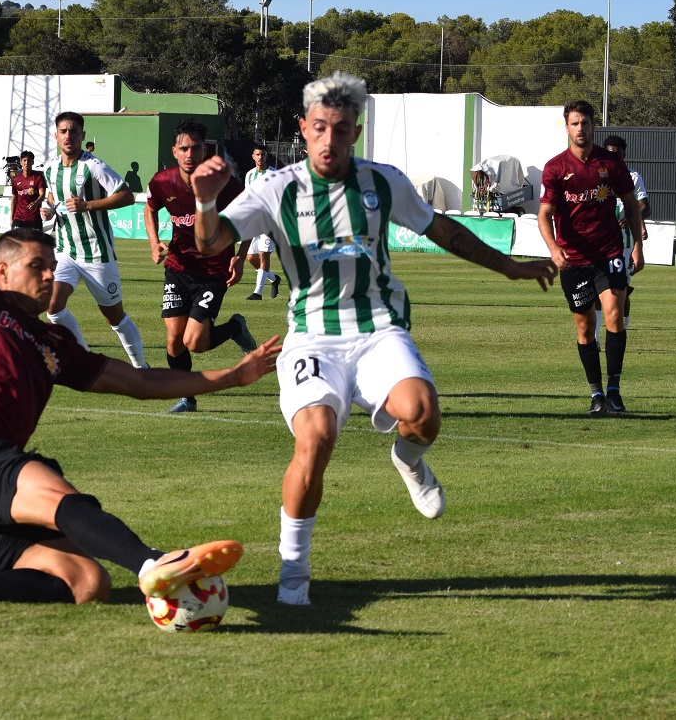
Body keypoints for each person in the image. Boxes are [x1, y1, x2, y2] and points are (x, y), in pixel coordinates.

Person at [0, 110, 279, 610]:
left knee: (86, 582)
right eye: (36, 266)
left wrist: (230, 376)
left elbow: (139, 382)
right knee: (60, 498)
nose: (47, 275)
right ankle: (153, 564)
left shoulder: (55, 346)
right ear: (2, 272)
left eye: (51, 266)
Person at [190, 73, 556, 606]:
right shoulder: (276, 187)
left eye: (340, 130)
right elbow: (213, 242)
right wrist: (203, 202)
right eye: (319, 128)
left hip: (379, 328)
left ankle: (408, 459)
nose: (329, 140)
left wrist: (509, 268)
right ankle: (293, 572)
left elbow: (442, 230)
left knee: (423, 413)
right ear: (303, 129)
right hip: (312, 338)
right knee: (315, 439)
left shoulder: (383, 182)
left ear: (355, 133)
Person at [538, 100, 647, 417]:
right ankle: (596, 393)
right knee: (585, 328)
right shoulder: (556, 168)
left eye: (585, 122)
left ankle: (614, 391)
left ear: (593, 125)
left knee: (613, 314)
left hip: (610, 252)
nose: (580, 128)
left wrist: (637, 246)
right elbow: (544, 215)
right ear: (567, 127)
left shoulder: (611, 163)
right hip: (573, 259)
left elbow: (631, 205)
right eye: (574, 123)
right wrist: (553, 248)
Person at [144, 119, 258, 413]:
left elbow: (250, 215)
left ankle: (234, 328)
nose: (190, 153)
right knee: (174, 341)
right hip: (177, 268)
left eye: (196, 147)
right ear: (174, 151)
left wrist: (241, 256)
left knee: (194, 342)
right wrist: (154, 241)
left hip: (212, 272)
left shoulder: (223, 183)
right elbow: (150, 207)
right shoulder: (162, 182)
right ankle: (187, 398)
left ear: (205, 150)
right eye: (184, 148)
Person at [40, 112, 149, 367]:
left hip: (97, 252)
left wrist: (88, 205)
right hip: (66, 250)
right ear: (56, 136)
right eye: (64, 131)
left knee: (114, 317)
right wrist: (49, 209)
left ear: (82, 136)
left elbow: (126, 196)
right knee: (53, 307)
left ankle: (141, 368)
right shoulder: (49, 169)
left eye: (74, 131)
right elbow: (52, 200)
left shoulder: (93, 166)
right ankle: (85, 359)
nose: (69, 136)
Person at [601, 135, 649, 329]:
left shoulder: (633, 177)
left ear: (624, 155)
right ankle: (595, 337)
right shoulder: (596, 177)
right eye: (611, 154)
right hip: (599, 242)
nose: (615, 158)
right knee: (597, 290)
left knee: (622, 289)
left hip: (624, 244)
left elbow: (645, 206)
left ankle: (623, 328)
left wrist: (630, 219)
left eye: (618, 154)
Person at [243, 143, 281, 301]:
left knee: (263, 255)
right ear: (253, 156)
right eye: (257, 154)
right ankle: (273, 278)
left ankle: (257, 293)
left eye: (263, 155)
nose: (260, 157)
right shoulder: (250, 175)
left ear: (267, 156)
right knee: (251, 257)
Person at [9, 150, 46, 231]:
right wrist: (12, 217)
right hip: (18, 218)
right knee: (16, 243)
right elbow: (14, 199)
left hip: (34, 218)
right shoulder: (15, 179)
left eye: (29, 160)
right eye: (24, 160)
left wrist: (36, 203)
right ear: (21, 162)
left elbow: (42, 195)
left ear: (32, 162)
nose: (26, 163)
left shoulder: (38, 177)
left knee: (35, 243)